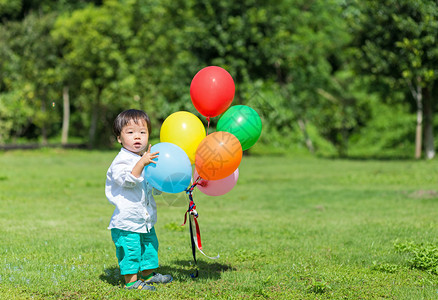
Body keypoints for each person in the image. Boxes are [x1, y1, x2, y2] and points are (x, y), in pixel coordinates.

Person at [105, 109, 173, 291]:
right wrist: (142, 163)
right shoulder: (121, 161)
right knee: (131, 250)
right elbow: (128, 180)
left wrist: (163, 180)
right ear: (119, 138)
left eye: (142, 132)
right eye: (130, 132)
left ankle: (148, 275)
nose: (137, 137)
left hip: (145, 219)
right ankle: (131, 281)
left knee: (150, 246)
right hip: (126, 222)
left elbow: (153, 188)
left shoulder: (145, 160)